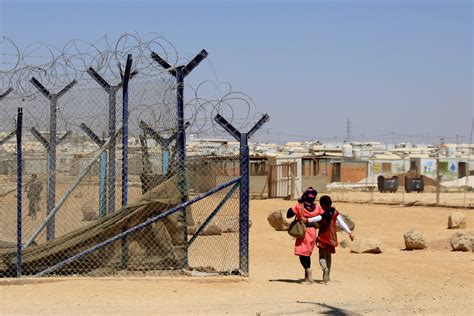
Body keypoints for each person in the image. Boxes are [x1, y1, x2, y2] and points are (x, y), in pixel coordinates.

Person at [302, 195, 354, 283]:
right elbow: (342, 223)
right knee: (329, 257)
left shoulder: (323, 214)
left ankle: (324, 268)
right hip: (331, 239)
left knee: (322, 257)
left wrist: (307, 220)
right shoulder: (334, 212)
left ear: (322, 205)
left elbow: (317, 218)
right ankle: (328, 275)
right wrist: (349, 232)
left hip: (323, 238)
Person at [286, 187, 323, 284]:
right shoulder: (318, 208)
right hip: (313, 232)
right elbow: (323, 217)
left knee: (302, 254)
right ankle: (307, 277)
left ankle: (308, 270)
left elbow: (289, 214)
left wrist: (296, 205)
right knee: (307, 254)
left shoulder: (300, 206)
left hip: (303, 232)